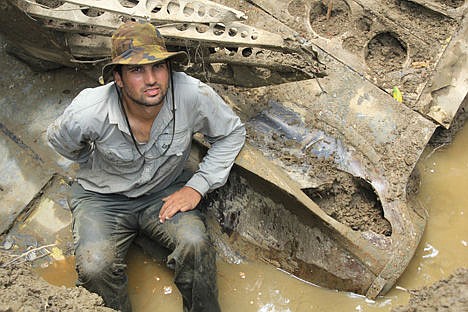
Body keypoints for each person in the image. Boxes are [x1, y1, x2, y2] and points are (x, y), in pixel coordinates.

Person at [47, 21, 245, 312]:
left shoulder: (191, 94)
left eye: (158, 67)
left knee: (195, 245)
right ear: (119, 78)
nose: (151, 79)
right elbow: (61, 142)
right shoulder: (89, 111)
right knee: (95, 266)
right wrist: (92, 164)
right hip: (103, 199)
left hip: (164, 192)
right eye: (137, 70)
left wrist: (197, 186)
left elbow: (232, 133)